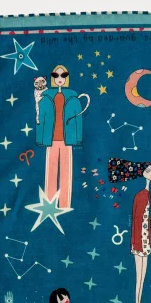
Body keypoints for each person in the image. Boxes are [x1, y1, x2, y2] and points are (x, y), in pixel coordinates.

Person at [35, 65, 90, 208]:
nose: (60, 78)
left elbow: (78, 121)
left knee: (66, 172)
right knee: (50, 172)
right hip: (51, 140)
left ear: (67, 78)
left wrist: (77, 139)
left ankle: (65, 205)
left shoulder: (73, 98)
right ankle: (49, 205)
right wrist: (41, 139)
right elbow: (40, 120)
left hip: (67, 141)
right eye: (56, 75)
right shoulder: (45, 98)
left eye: (63, 75)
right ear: (52, 78)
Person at [108, 159, 151, 303]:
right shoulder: (141, 195)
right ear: (143, 173)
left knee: (143, 276)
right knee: (138, 276)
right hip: (139, 242)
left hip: (145, 242)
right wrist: (135, 243)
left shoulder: (147, 194)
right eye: (149, 171)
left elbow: (146, 221)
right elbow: (136, 220)